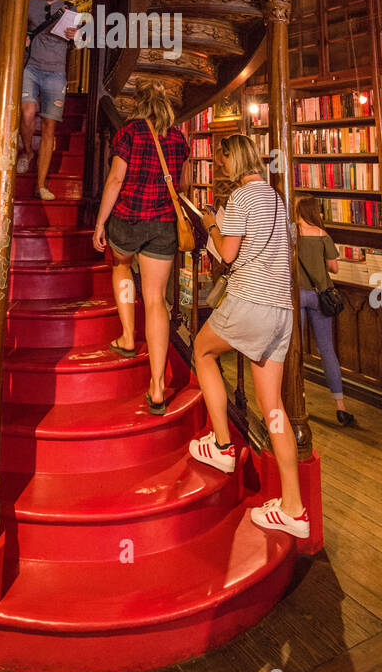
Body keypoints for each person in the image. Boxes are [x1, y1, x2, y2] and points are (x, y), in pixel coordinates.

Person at [191, 133, 309, 540]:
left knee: (201, 351)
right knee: (272, 406)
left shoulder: (241, 198)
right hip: (281, 310)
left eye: (222, 160)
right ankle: (293, 507)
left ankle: (222, 446)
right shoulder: (276, 198)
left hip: (250, 300)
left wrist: (211, 224)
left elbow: (227, 255)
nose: (220, 167)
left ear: (234, 159)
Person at [92, 80, 190, 414]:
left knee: (121, 266)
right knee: (156, 300)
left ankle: (127, 336)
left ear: (139, 104)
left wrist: (100, 222)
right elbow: (183, 184)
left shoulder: (129, 133)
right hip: (163, 224)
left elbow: (115, 180)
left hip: (129, 218)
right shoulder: (178, 138)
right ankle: (158, 385)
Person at [18, 0, 77, 200]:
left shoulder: (70, 9)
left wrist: (75, 36)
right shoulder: (31, 6)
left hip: (56, 73)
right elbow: (19, 30)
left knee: (49, 127)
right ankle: (27, 152)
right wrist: (23, 37)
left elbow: (78, 40)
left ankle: (41, 185)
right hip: (32, 68)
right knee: (27, 113)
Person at [297, 195, 355, 427]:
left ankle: (297, 399)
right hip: (320, 296)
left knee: (295, 349)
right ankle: (340, 406)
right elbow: (334, 268)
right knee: (327, 349)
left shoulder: (291, 235)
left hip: (296, 295)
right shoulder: (322, 235)